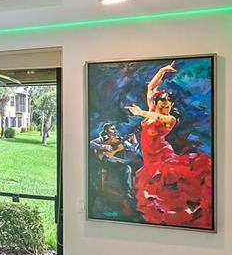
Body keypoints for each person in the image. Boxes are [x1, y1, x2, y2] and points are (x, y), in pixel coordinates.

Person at [125, 63, 212, 228]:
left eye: (168, 106)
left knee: (170, 180)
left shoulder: (169, 119)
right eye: (162, 106)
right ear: (156, 104)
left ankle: (181, 211)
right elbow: (151, 87)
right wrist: (162, 71)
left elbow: (158, 117)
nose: (165, 109)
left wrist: (141, 112)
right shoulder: (153, 109)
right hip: (150, 155)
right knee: (153, 183)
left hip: (162, 154)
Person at [90, 123, 138, 195]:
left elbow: (133, 148)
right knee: (122, 161)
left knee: (128, 168)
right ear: (106, 131)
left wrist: (134, 140)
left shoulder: (120, 139)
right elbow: (91, 143)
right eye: (112, 129)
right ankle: (127, 162)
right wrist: (103, 147)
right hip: (106, 160)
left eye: (115, 129)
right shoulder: (104, 137)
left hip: (118, 163)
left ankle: (128, 193)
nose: (115, 131)